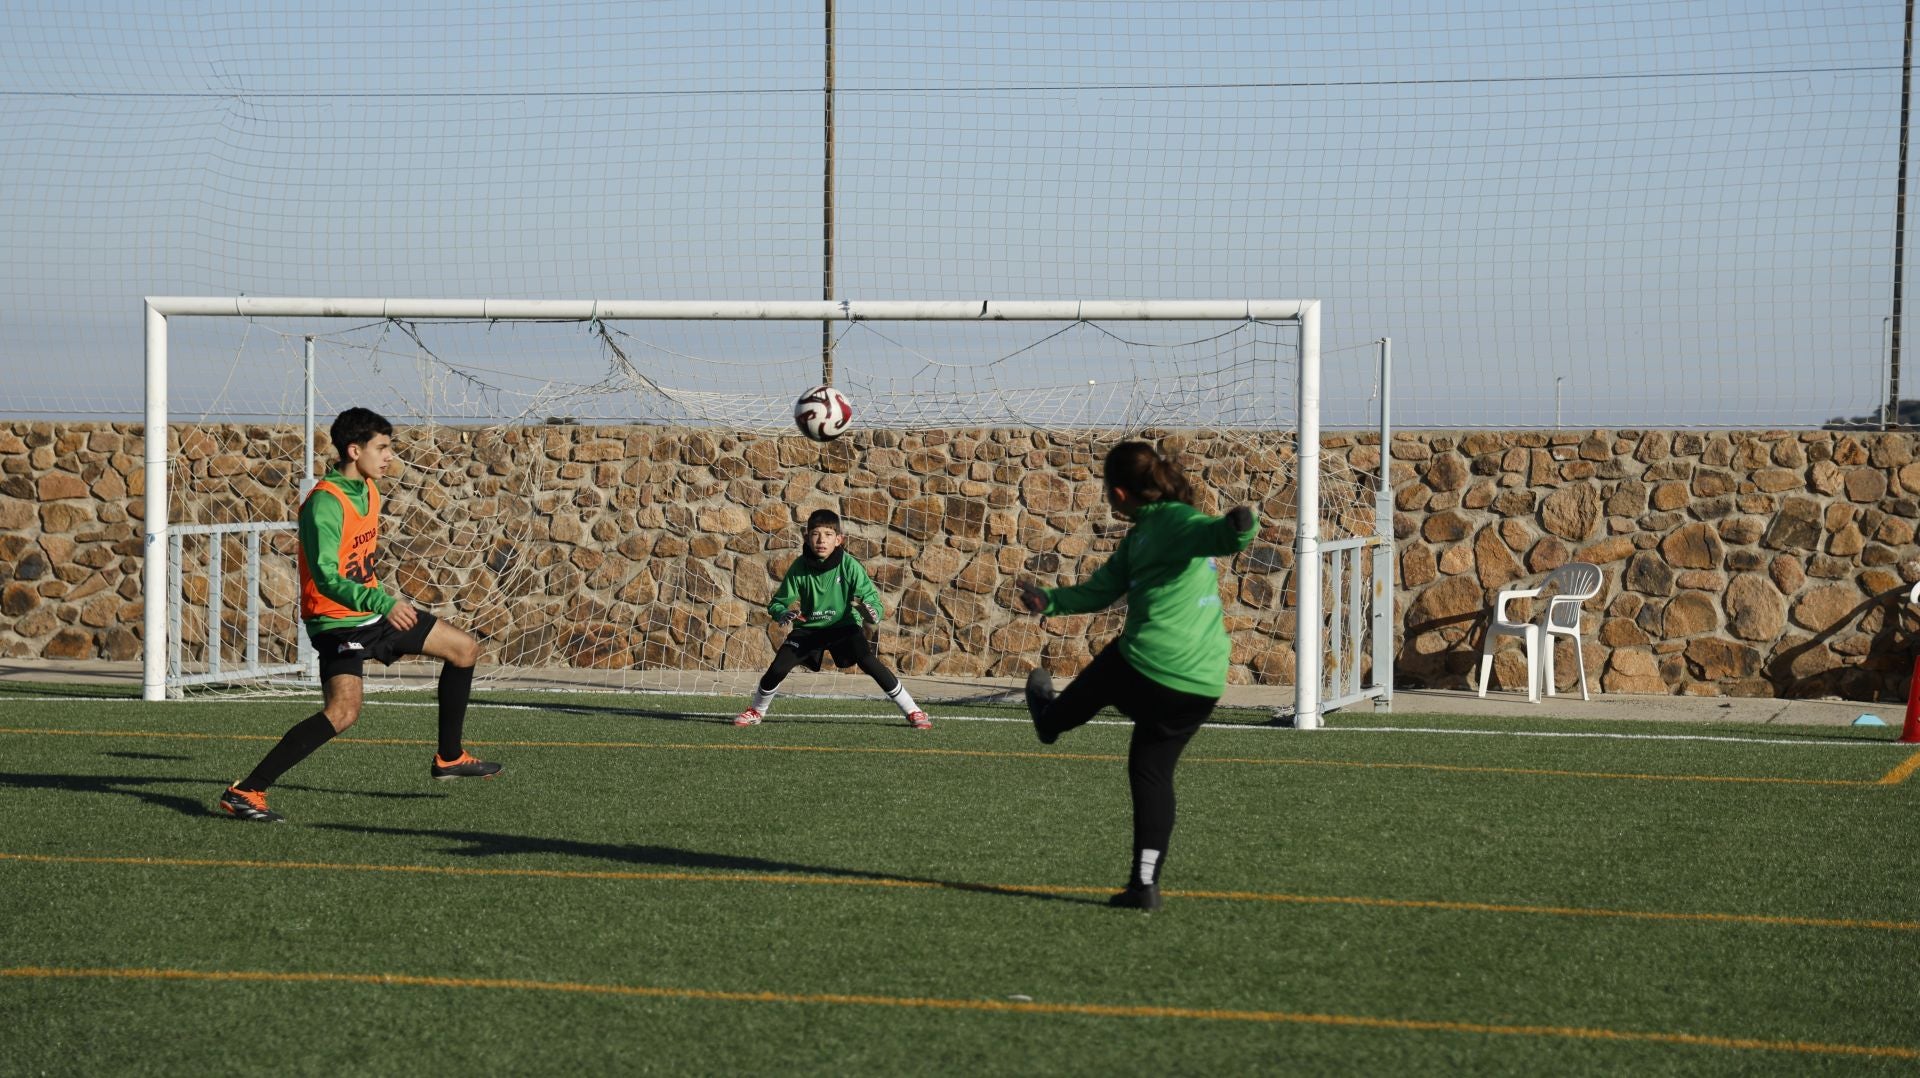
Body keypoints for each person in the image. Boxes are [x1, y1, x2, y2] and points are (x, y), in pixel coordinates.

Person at [216, 407, 500, 823]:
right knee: (343, 712)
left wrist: (378, 602)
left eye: (389, 448)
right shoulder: (323, 505)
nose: (389, 457)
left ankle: (450, 757)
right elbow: (327, 578)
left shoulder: (369, 489)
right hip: (336, 621)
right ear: (354, 450)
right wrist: (384, 602)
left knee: (464, 649)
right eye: (381, 448)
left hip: (371, 612)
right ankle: (246, 791)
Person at [1012, 441, 1257, 911]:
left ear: (1120, 493)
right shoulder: (1142, 536)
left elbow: (1215, 535)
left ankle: (1051, 720)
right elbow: (1101, 591)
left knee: (1115, 662)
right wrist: (1052, 601)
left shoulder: (1171, 521)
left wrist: (1240, 527)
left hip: (1154, 667)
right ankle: (1144, 886)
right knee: (1150, 772)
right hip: (1201, 685)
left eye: (1107, 490)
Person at [736, 508, 930, 730]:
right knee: (779, 667)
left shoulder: (849, 566)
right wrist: (783, 612)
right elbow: (777, 603)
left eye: (828, 534)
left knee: (867, 660)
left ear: (839, 539)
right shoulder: (799, 567)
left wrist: (871, 611)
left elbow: (873, 603)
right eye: (816, 534)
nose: (821, 540)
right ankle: (756, 711)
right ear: (807, 538)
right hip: (809, 628)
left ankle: (913, 710)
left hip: (844, 627)